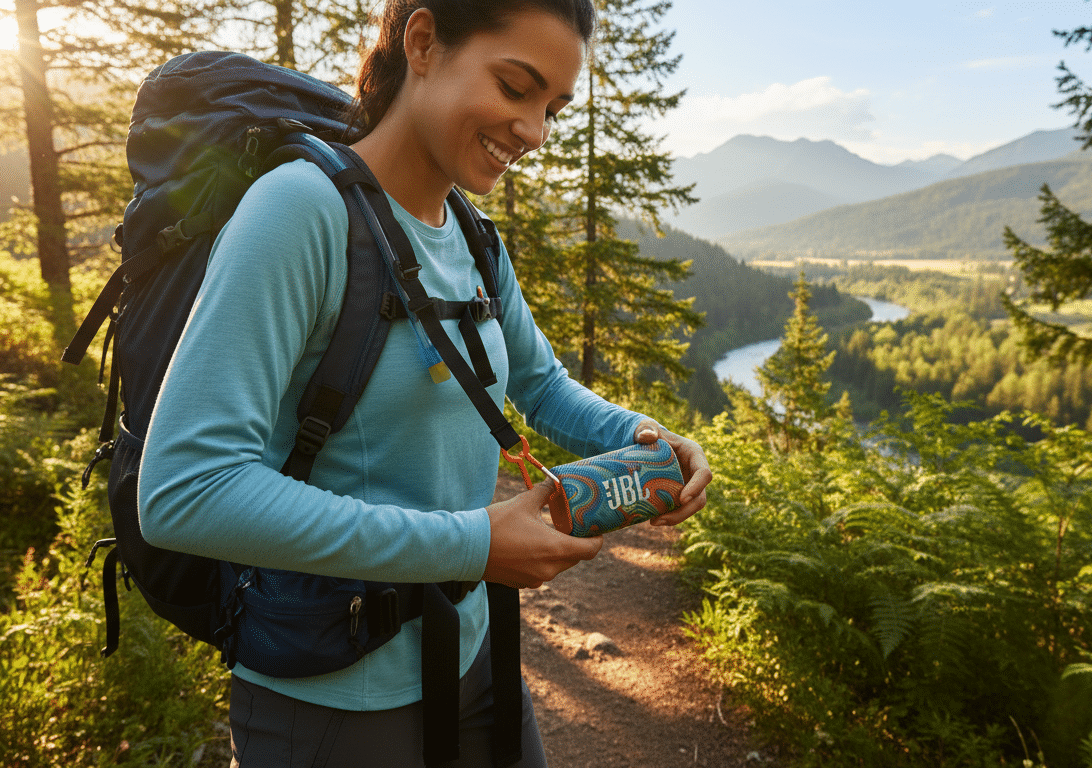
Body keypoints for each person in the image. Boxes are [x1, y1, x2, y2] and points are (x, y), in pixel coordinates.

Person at [136, 0, 712, 765]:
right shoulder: (298, 212)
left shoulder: (472, 237)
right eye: (515, 88)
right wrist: (472, 544)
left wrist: (642, 438)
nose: (534, 131)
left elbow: (540, 385)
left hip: (474, 654)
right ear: (424, 42)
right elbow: (186, 490)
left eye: (552, 109)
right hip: (332, 693)